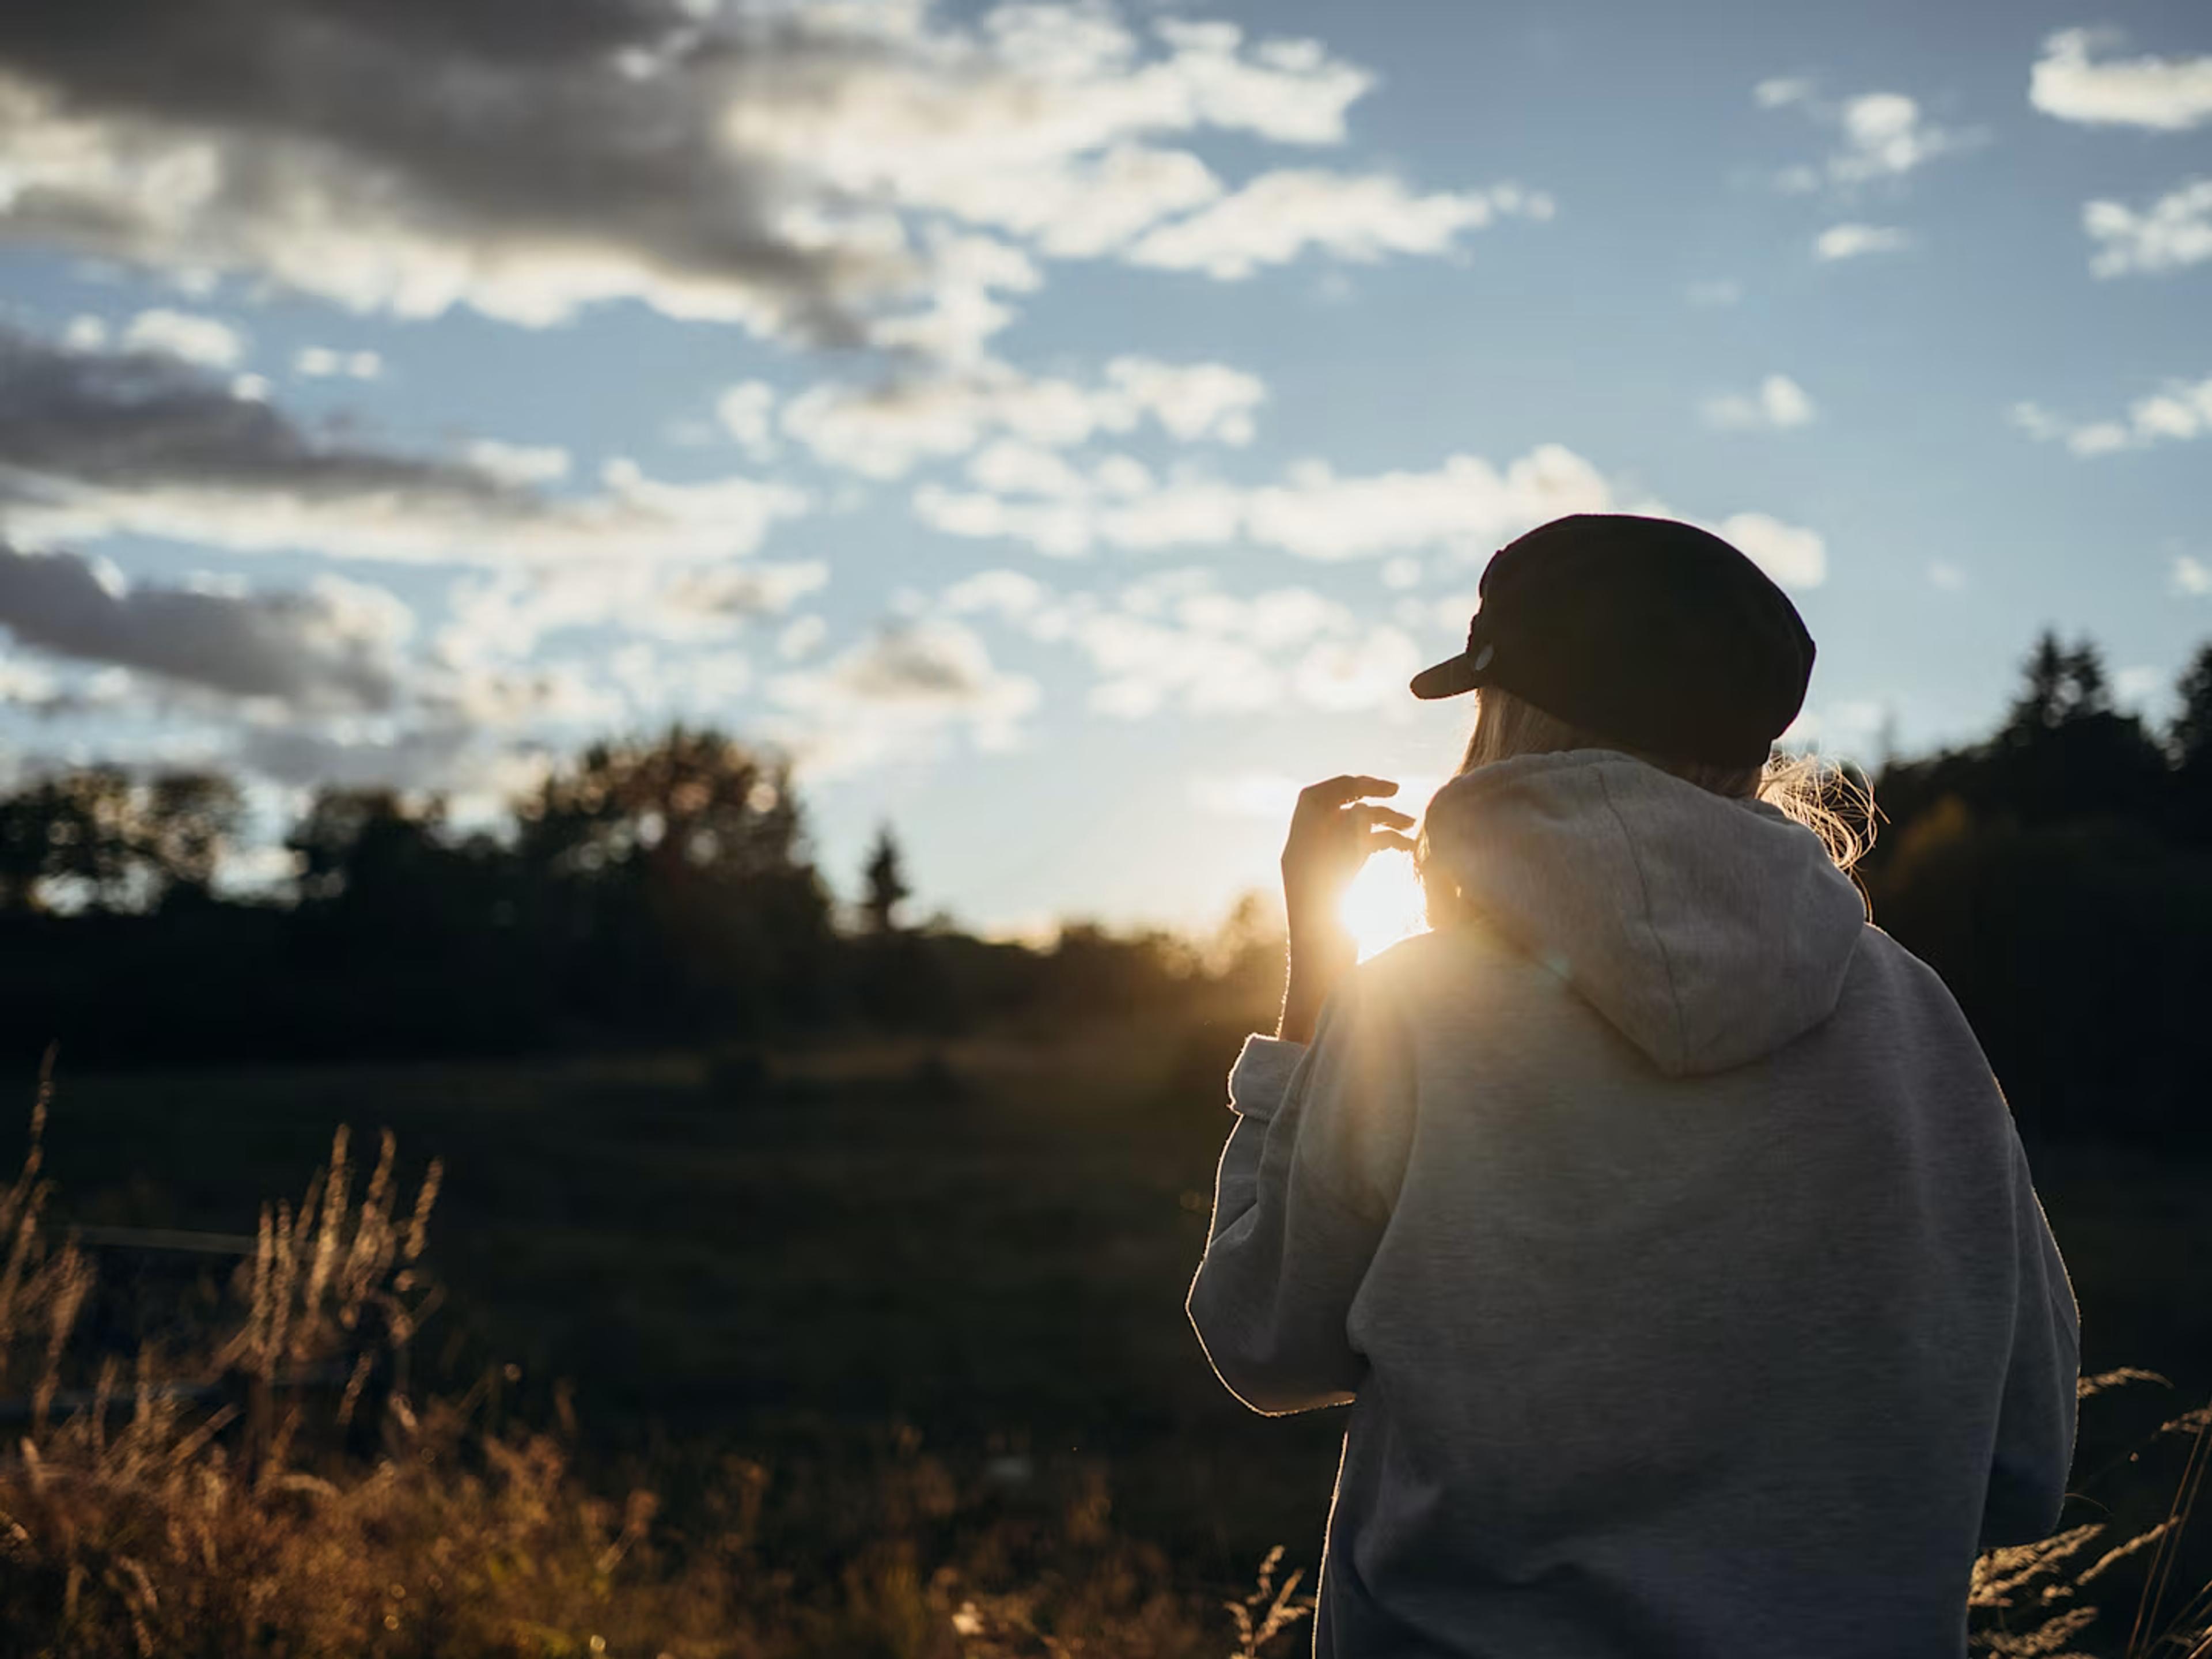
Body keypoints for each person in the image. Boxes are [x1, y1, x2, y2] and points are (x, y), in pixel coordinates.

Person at [1187, 514, 2078, 1658]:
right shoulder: (1915, 1017)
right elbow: (2023, 1463)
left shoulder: (1416, 1009)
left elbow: (1264, 1342)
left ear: (1504, 714)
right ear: (1751, 744)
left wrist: (1316, 986)